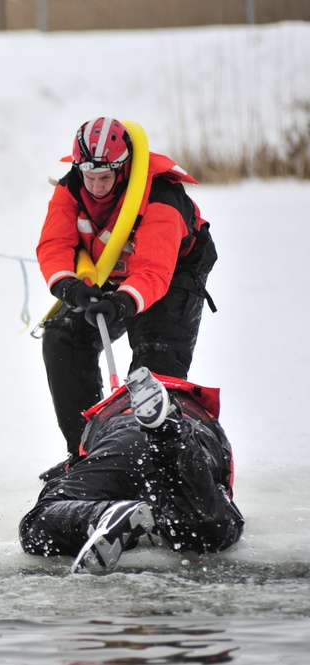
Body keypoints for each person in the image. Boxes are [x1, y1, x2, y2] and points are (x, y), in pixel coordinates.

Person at [37, 117, 218, 463]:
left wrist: (120, 304)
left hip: (173, 273)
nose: (95, 186)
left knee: (154, 363)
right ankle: (86, 453)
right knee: (62, 337)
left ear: (123, 170)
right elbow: (54, 244)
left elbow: (154, 270)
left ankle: (158, 460)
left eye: (104, 178)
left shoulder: (162, 198)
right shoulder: (71, 187)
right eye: (88, 176)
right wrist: (71, 289)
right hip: (109, 268)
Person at [19, 367, 244, 572]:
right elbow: (222, 484)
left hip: (119, 439)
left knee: (37, 524)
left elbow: (77, 469)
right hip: (192, 435)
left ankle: (102, 515)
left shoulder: (106, 412)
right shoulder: (204, 415)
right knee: (205, 532)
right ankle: (168, 430)